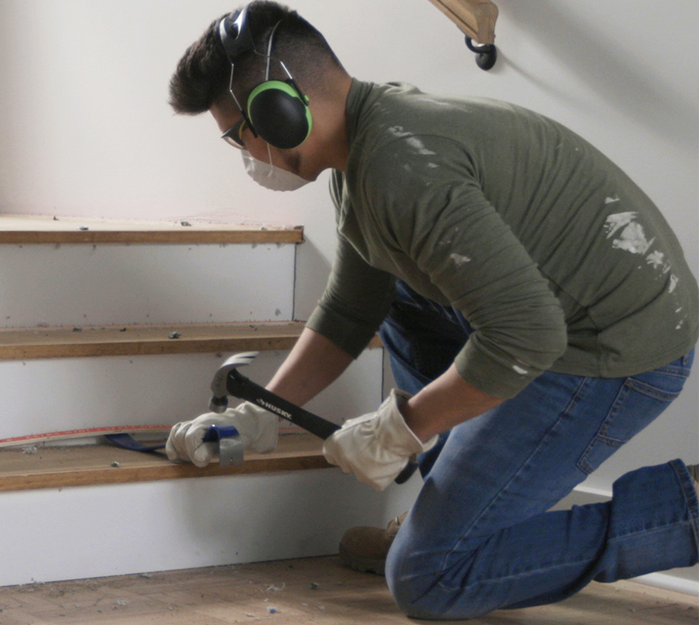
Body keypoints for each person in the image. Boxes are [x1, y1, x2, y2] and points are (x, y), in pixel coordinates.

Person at [164, 1, 699, 620]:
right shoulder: (363, 150)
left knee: (429, 579)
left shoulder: (402, 168)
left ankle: (680, 512)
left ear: (278, 112)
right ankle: (450, 514)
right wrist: (265, 413)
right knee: (398, 291)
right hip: (556, 322)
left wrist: (403, 426)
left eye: (238, 135)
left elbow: (526, 337)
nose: (245, 155)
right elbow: (349, 310)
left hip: (615, 349)